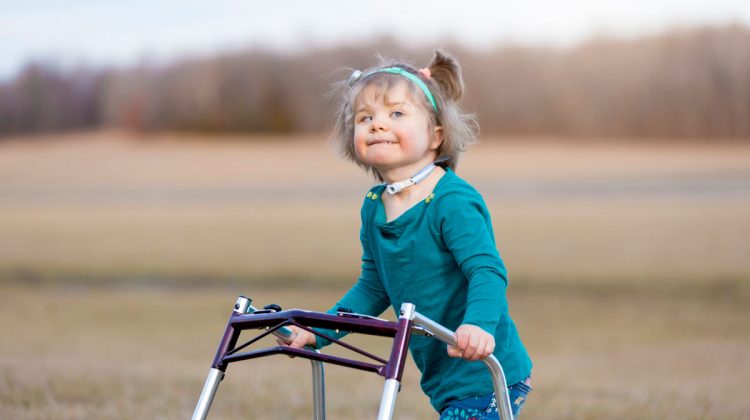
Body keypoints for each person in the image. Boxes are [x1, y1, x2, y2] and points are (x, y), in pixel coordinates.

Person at [283, 50, 533, 419]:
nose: (378, 125)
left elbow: (486, 271)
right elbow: (373, 287)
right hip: (444, 377)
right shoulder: (374, 205)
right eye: (365, 118)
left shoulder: (452, 200)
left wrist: (479, 326)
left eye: (396, 114)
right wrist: (318, 330)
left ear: (436, 136)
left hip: (487, 371)